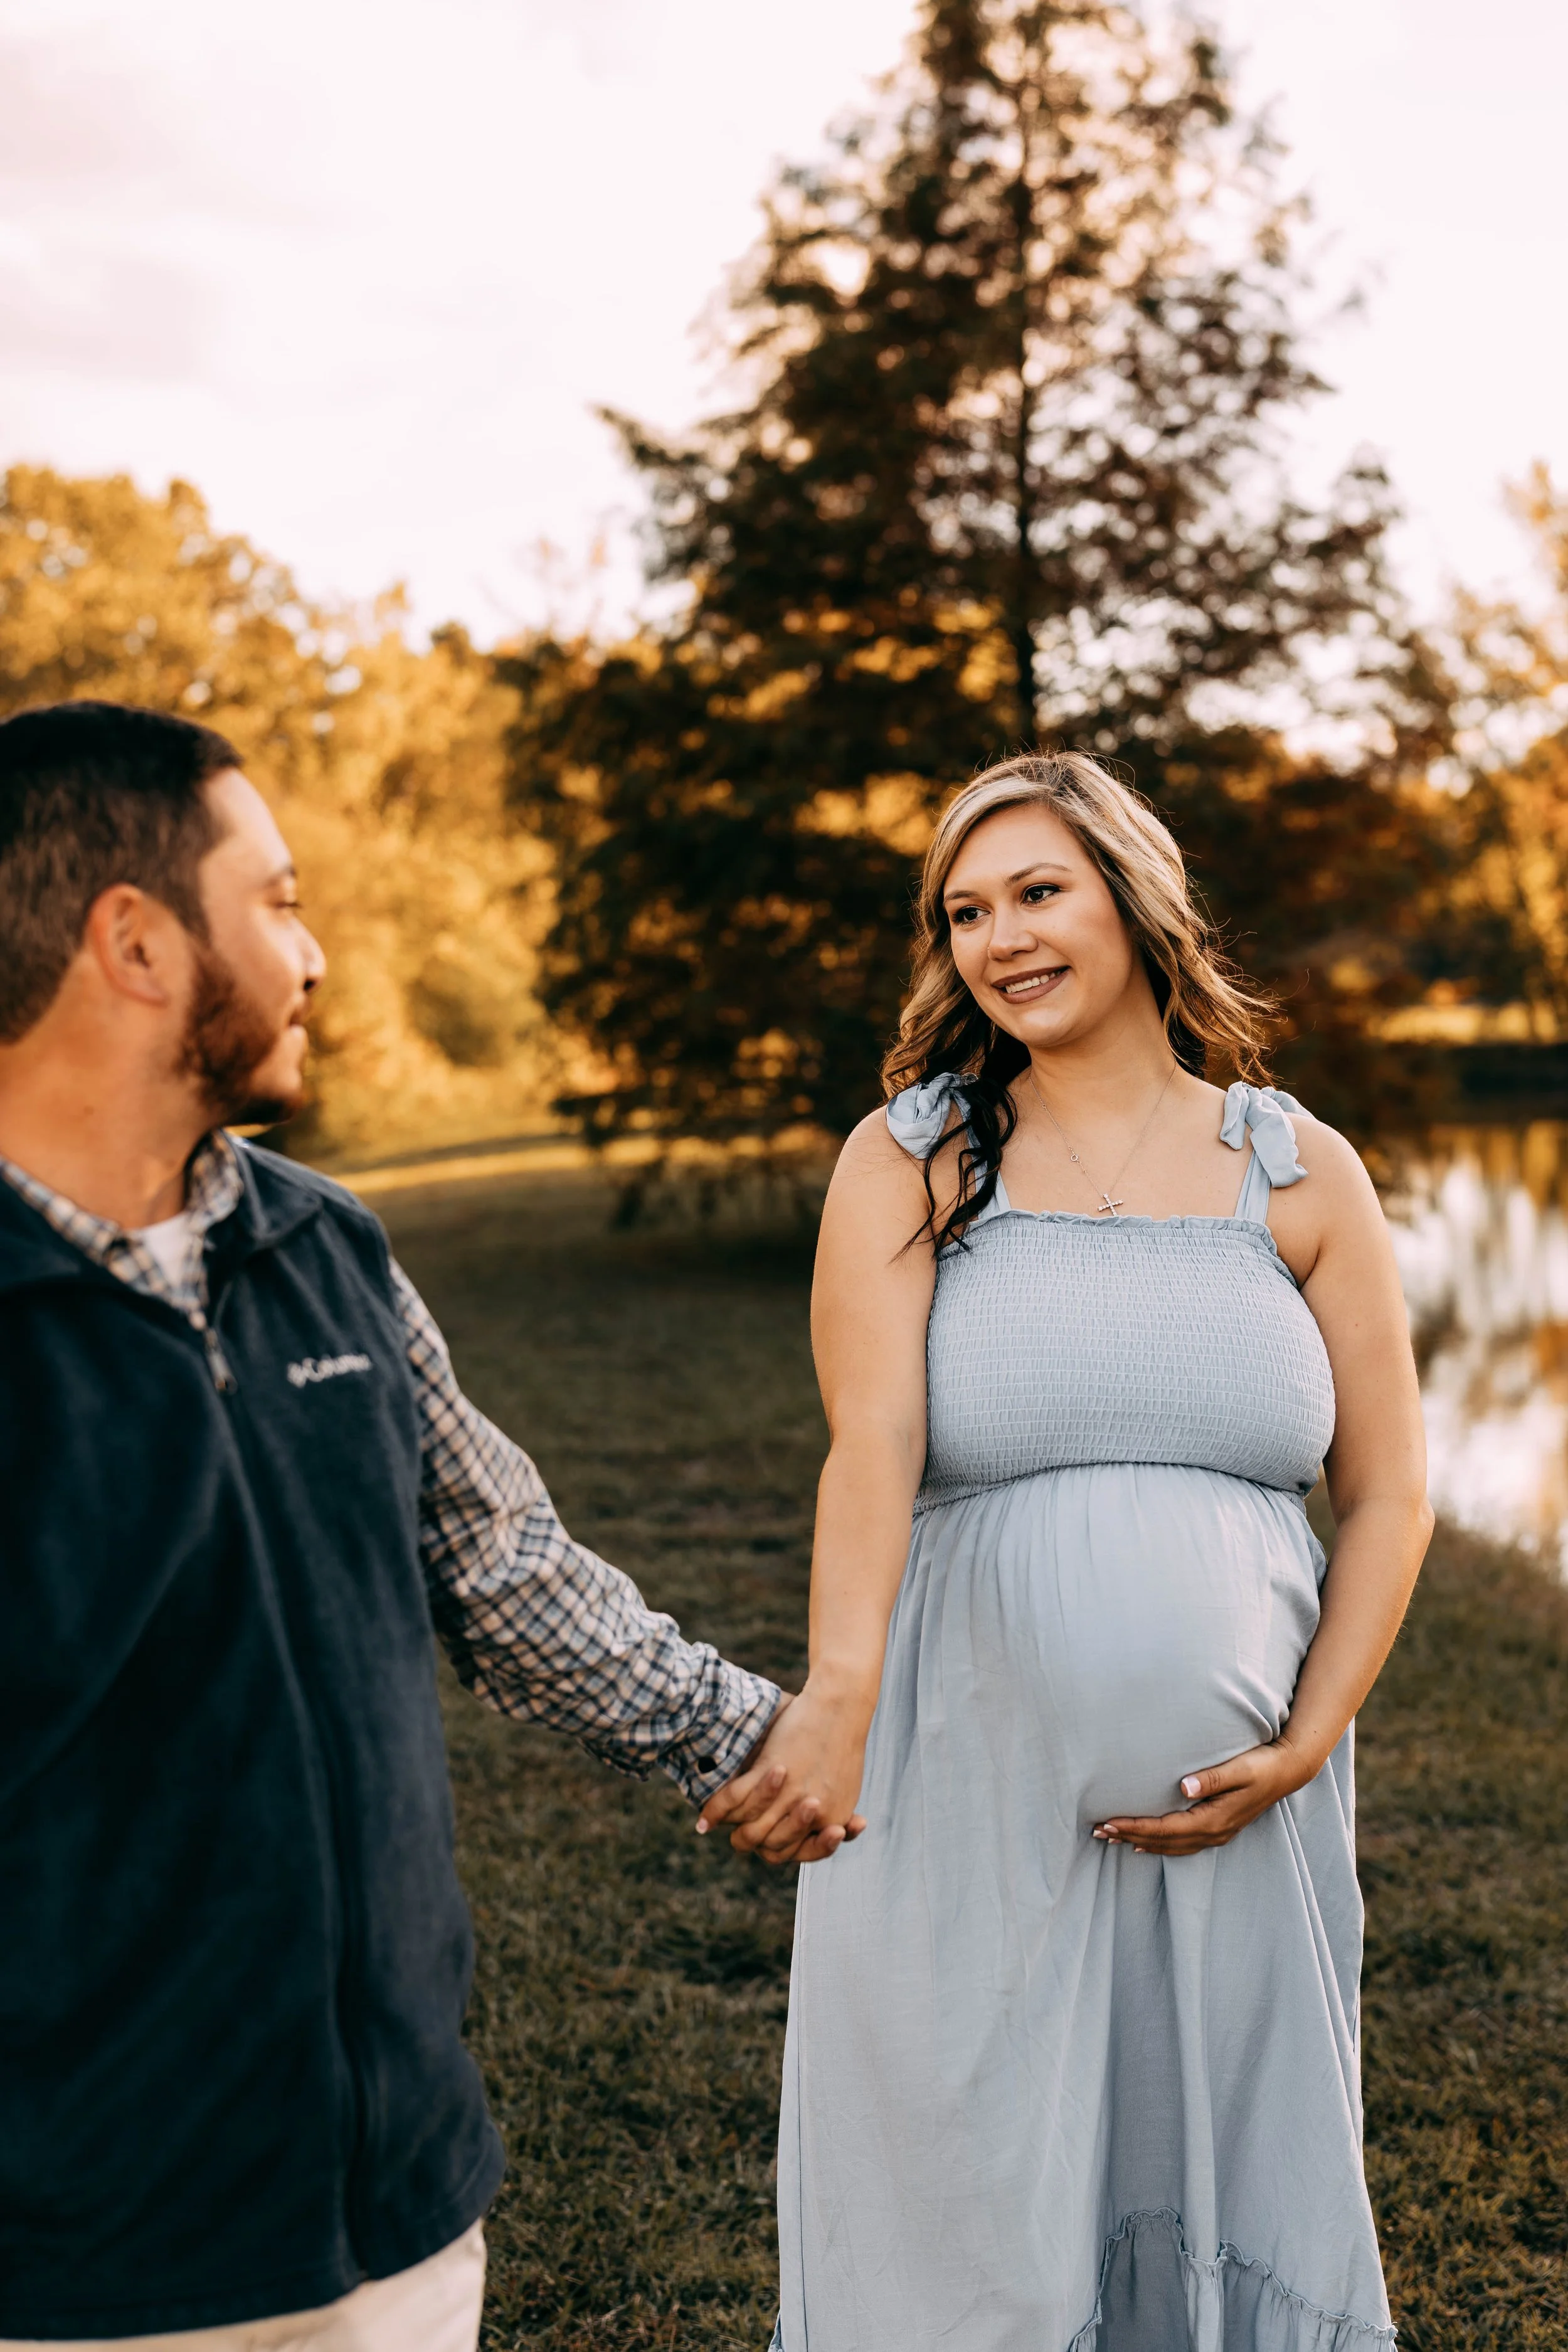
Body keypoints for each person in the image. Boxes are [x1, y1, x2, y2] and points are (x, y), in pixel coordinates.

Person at [0, 700, 834, 2352]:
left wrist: (774, 1743)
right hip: (86, 2266)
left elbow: (503, 1567)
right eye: (282, 900)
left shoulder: (327, 1246)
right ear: (139, 943)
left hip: (400, 2217)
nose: (312, 957)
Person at [703, 753, 1433, 2349]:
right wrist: (834, 1691)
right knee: (972, 2193)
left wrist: (1306, 1737)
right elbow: (873, 1446)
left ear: (1134, 895)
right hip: (957, 1777)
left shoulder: (1298, 1171)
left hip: (1241, 1814)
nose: (998, 937)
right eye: (962, 911)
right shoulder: (911, 1158)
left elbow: (1386, 1493)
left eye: (1037, 891)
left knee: (1217, 2178)